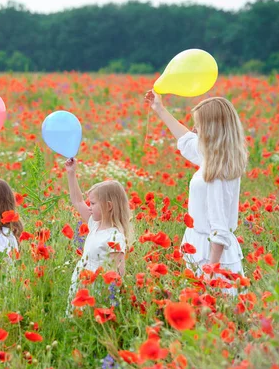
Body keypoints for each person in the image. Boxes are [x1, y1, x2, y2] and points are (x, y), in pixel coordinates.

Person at [145, 90, 248, 295]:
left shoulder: (217, 173)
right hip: (200, 247)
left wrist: (210, 271)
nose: (194, 129)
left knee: (213, 315)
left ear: (211, 129)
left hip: (210, 255)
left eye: (199, 125)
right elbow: (187, 139)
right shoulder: (213, 159)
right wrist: (159, 109)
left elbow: (219, 229)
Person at [64, 158, 133, 312]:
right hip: (81, 285)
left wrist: (105, 299)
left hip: (96, 292)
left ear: (108, 206)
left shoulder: (115, 236)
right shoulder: (94, 224)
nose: (89, 207)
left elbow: (117, 273)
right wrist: (71, 173)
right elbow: (77, 201)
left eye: (93, 203)